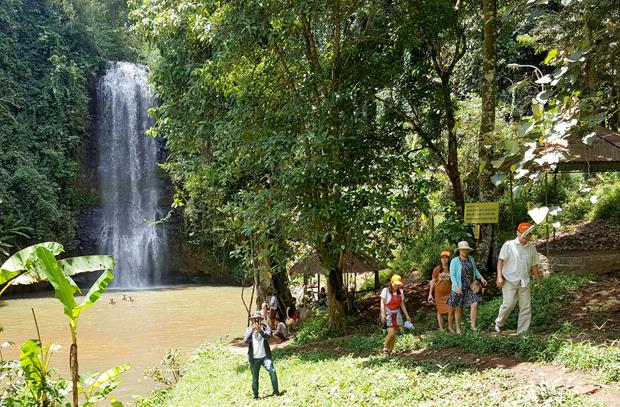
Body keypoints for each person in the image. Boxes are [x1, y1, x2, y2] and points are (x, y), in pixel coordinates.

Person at [495, 222, 542, 335]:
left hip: (524, 281)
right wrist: (499, 277)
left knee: (526, 307)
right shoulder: (508, 245)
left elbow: (534, 265)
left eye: (528, 234)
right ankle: (499, 322)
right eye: (524, 233)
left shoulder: (531, 248)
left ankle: (522, 333)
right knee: (508, 304)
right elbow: (500, 261)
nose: (526, 236)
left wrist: (537, 281)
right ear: (518, 233)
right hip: (509, 280)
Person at [446, 241, 487, 333]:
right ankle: (458, 329)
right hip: (459, 287)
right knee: (458, 308)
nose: (465, 250)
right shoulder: (454, 261)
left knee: (474, 304)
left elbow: (475, 270)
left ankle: (473, 326)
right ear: (459, 250)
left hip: (470, 287)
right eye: (463, 249)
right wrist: (456, 287)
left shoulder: (471, 259)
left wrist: (481, 278)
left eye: (466, 249)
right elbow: (452, 275)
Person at [243, 311, 280, 399]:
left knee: (272, 372)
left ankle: (276, 391)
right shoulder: (249, 329)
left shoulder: (265, 327)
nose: (256, 321)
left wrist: (260, 331)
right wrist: (252, 331)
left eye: (258, 319)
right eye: (254, 320)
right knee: (255, 378)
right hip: (254, 359)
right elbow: (245, 341)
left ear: (261, 319)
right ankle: (256, 396)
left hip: (265, 357)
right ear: (252, 320)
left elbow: (269, 336)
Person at [380, 274, 412, 355]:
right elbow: (382, 302)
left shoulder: (400, 292)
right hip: (387, 314)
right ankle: (385, 348)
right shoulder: (386, 290)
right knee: (391, 333)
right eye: (395, 284)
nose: (396, 286)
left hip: (396, 315)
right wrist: (383, 313)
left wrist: (407, 315)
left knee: (394, 335)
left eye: (398, 285)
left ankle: (390, 351)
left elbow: (402, 305)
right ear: (391, 282)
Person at [428, 251, 455, 332]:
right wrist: (430, 294)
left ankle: (450, 327)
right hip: (439, 293)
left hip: (449, 293)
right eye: (442, 258)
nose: (444, 259)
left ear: (448, 259)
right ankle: (441, 328)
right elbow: (433, 281)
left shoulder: (451, 268)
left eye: (446, 258)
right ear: (440, 259)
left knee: (451, 310)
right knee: (439, 311)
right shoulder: (437, 269)